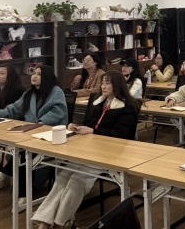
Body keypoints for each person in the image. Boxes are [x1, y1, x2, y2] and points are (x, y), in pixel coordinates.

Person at [32, 70, 139, 229]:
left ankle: (61, 222)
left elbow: (123, 135)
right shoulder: (99, 103)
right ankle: (44, 221)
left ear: (117, 86)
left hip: (111, 153)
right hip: (89, 150)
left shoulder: (127, 107)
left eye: (107, 83)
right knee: (63, 176)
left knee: (77, 180)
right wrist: (76, 127)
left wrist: (94, 131)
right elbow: (90, 125)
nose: (103, 86)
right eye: (102, 83)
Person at [0, 65, 67, 209]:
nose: (34, 76)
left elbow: (58, 112)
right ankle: (22, 193)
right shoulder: (29, 93)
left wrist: (40, 123)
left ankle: (4, 176)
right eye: (33, 73)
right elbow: (14, 108)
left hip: (50, 135)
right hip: (31, 134)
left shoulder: (56, 91)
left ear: (46, 77)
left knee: (23, 153)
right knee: (21, 152)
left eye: (39, 74)